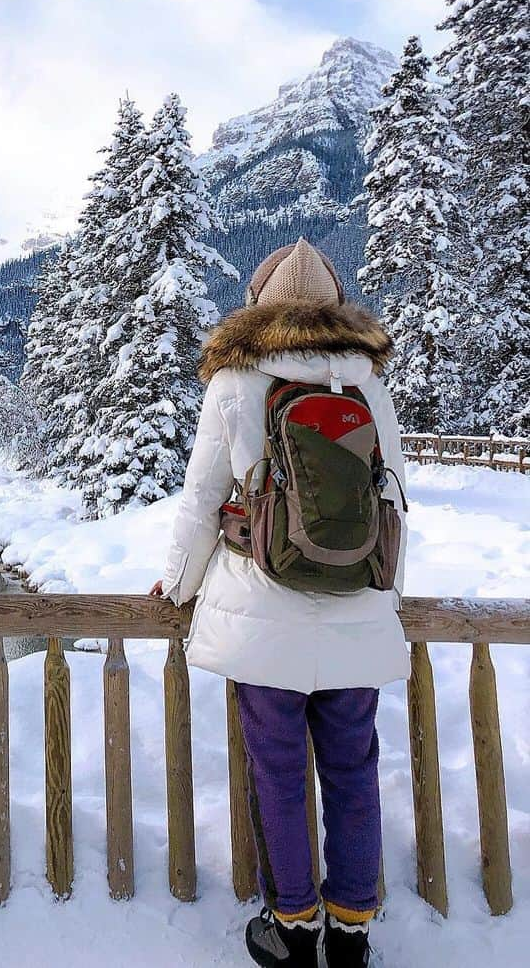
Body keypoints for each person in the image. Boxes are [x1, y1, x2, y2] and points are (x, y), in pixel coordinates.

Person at [150, 239, 408, 968]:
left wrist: (178, 585)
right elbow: (390, 501)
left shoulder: (236, 380)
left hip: (263, 609)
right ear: (333, 305)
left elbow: (202, 502)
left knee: (278, 770)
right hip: (357, 607)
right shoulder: (367, 385)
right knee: (353, 769)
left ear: (260, 305)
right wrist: (387, 594)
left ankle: (292, 924)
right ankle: (352, 927)